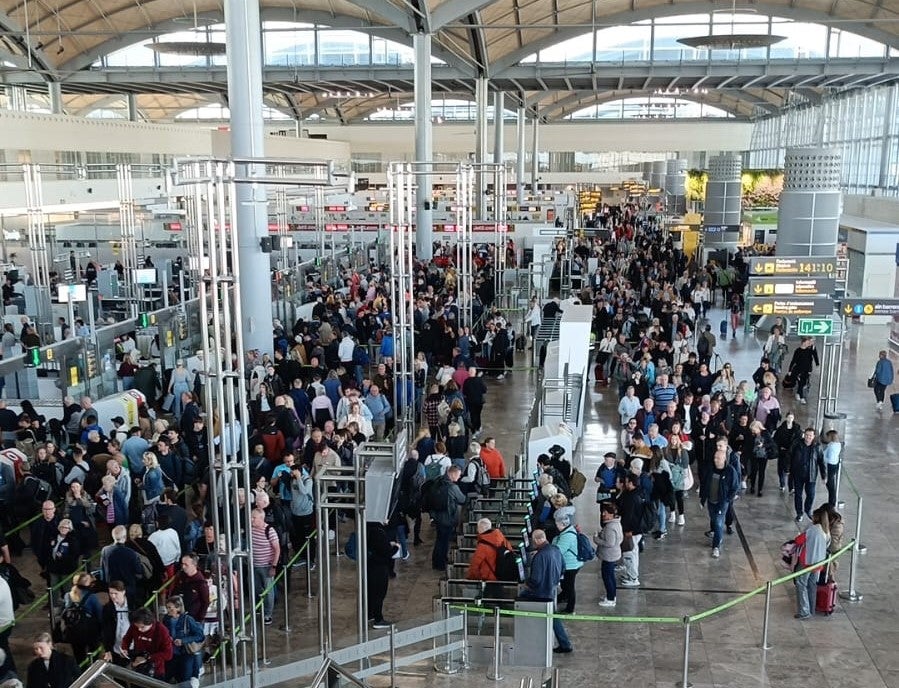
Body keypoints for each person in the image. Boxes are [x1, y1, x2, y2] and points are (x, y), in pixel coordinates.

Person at [517, 529, 569, 654]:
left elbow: (536, 579)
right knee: (553, 616)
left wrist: (527, 584)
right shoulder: (555, 549)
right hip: (551, 589)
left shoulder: (539, 556)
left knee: (520, 599)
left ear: (535, 540)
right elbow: (563, 567)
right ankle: (565, 643)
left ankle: (525, 638)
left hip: (541, 592)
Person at [700, 449, 739, 559]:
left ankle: (716, 546)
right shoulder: (710, 469)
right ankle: (719, 536)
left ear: (724, 459)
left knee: (718, 522)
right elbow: (705, 483)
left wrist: (727, 499)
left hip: (722, 502)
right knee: (714, 519)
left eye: (718, 458)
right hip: (711, 501)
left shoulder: (730, 471)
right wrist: (702, 499)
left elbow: (735, 487)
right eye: (715, 458)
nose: (716, 460)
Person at [162, 595, 205, 688]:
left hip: (185, 654)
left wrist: (183, 640)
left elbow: (200, 636)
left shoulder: (188, 619)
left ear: (178, 608)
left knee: (185, 679)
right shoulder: (166, 619)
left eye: (170, 608)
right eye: (167, 607)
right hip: (171, 654)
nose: (168, 610)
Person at [794, 508, 830, 620]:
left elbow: (798, 540)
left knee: (801, 584)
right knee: (812, 585)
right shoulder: (826, 531)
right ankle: (811, 608)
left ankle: (804, 611)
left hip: (807, 562)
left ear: (817, 517)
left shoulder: (813, 529)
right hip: (819, 563)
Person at [430, 466, 466, 572]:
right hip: (448, 517)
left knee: (439, 540)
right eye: (458, 475)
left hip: (437, 516)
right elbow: (462, 499)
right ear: (453, 474)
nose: (459, 477)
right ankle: (441, 563)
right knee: (444, 541)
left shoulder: (438, 481)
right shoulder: (452, 487)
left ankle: (436, 561)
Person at [121, 608, 173, 677]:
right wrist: (124, 649)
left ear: (150, 623)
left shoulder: (162, 630)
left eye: (142, 627)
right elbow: (126, 639)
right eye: (137, 627)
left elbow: (168, 654)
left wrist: (148, 657)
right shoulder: (134, 626)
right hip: (137, 665)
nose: (139, 629)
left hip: (155, 669)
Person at [366, 521, 399, 629]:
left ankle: (370, 615)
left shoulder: (368, 528)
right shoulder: (378, 531)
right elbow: (386, 552)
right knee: (379, 594)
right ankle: (378, 619)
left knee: (371, 592)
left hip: (371, 566)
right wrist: (396, 547)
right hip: (379, 568)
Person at [250, 508, 280, 625]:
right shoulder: (251, 530)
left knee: (268, 591)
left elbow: (277, 549)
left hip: (266, 566)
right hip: (254, 565)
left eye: (254, 517)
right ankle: (259, 607)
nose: (252, 519)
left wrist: (274, 566)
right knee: (256, 588)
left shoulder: (270, 531)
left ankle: (268, 614)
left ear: (261, 518)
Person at [790, 428, 825, 523]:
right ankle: (799, 513)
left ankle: (807, 509)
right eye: (806, 435)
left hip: (811, 475)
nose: (808, 437)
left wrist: (823, 475)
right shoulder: (797, 444)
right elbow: (790, 456)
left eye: (810, 435)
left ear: (813, 437)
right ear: (804, 435)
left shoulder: (817, 447)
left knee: (811, 494)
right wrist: (789, 469)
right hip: (798, 474)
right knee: (798, 494)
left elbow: (821, 462)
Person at [593, 501, 623, 607]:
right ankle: (612, 595)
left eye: (605, 513)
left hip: (609, 555)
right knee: (610, 576)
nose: (603, 514)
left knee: (607, 577)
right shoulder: (616, 524)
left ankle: (610, 599)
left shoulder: (610, 527)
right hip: (612, 554)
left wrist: (596, 539)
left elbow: (609, 543)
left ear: (611, 514)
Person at [616, 473, 644, 587]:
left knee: (629, 555)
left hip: (631, 531)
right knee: (633, 553)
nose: (625, 483)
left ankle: (633, 578)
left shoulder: (632, 498)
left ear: (631, 483)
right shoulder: (635, 494)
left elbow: (629, 516)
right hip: (635, 530)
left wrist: (627, 530)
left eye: (627, 482)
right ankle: (631, 574)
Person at [466, 518, 513, 583]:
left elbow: (474, 567)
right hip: (503, 577)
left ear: (480, 529)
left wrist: (472, 578)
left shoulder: (482, 546)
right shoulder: (502, 539)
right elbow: (510, 552)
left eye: (478, 528)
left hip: (489, 580)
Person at [101, 581, 132, 666]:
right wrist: (107, 649)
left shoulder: (133, 605)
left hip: (133, 646)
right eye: (111, 593)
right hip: (116, 648)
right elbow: (105, 630)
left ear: (123, 592)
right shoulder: (107, 608)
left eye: (116, 593)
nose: (113, 596)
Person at [746, 420, 777, 497]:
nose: (753, 431)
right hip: (754, 455)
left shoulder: (765, 433)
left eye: (754, 430)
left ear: (758, 428)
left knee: (761, 472)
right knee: (753, 471)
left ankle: (760, 489)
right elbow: (748, 443)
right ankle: (752, 486)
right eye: (752, 430)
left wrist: (763, 445)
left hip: (763, 455)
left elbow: (772, 443)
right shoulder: (751, 434)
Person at [787, 338, 819, 405]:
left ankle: (798, 393)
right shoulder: (797, 351)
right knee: (801, 383)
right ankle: (802, 397)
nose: (809, 344)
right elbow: (793, 361)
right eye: (807, 342)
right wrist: (790, 370)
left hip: (806, 370)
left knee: (803, 383)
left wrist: (817, 364)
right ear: (803, 343)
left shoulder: (809, 350)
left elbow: (814, 355)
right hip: (798, 370)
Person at [821, 430, 841, 507]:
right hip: (835, 464)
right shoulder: (837, 444)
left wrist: (823, 458)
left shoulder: (832, 446)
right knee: (831, 484)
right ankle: (832, 501)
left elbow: (829, 459)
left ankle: (832, 502)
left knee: (830, 484)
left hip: (830, 465)